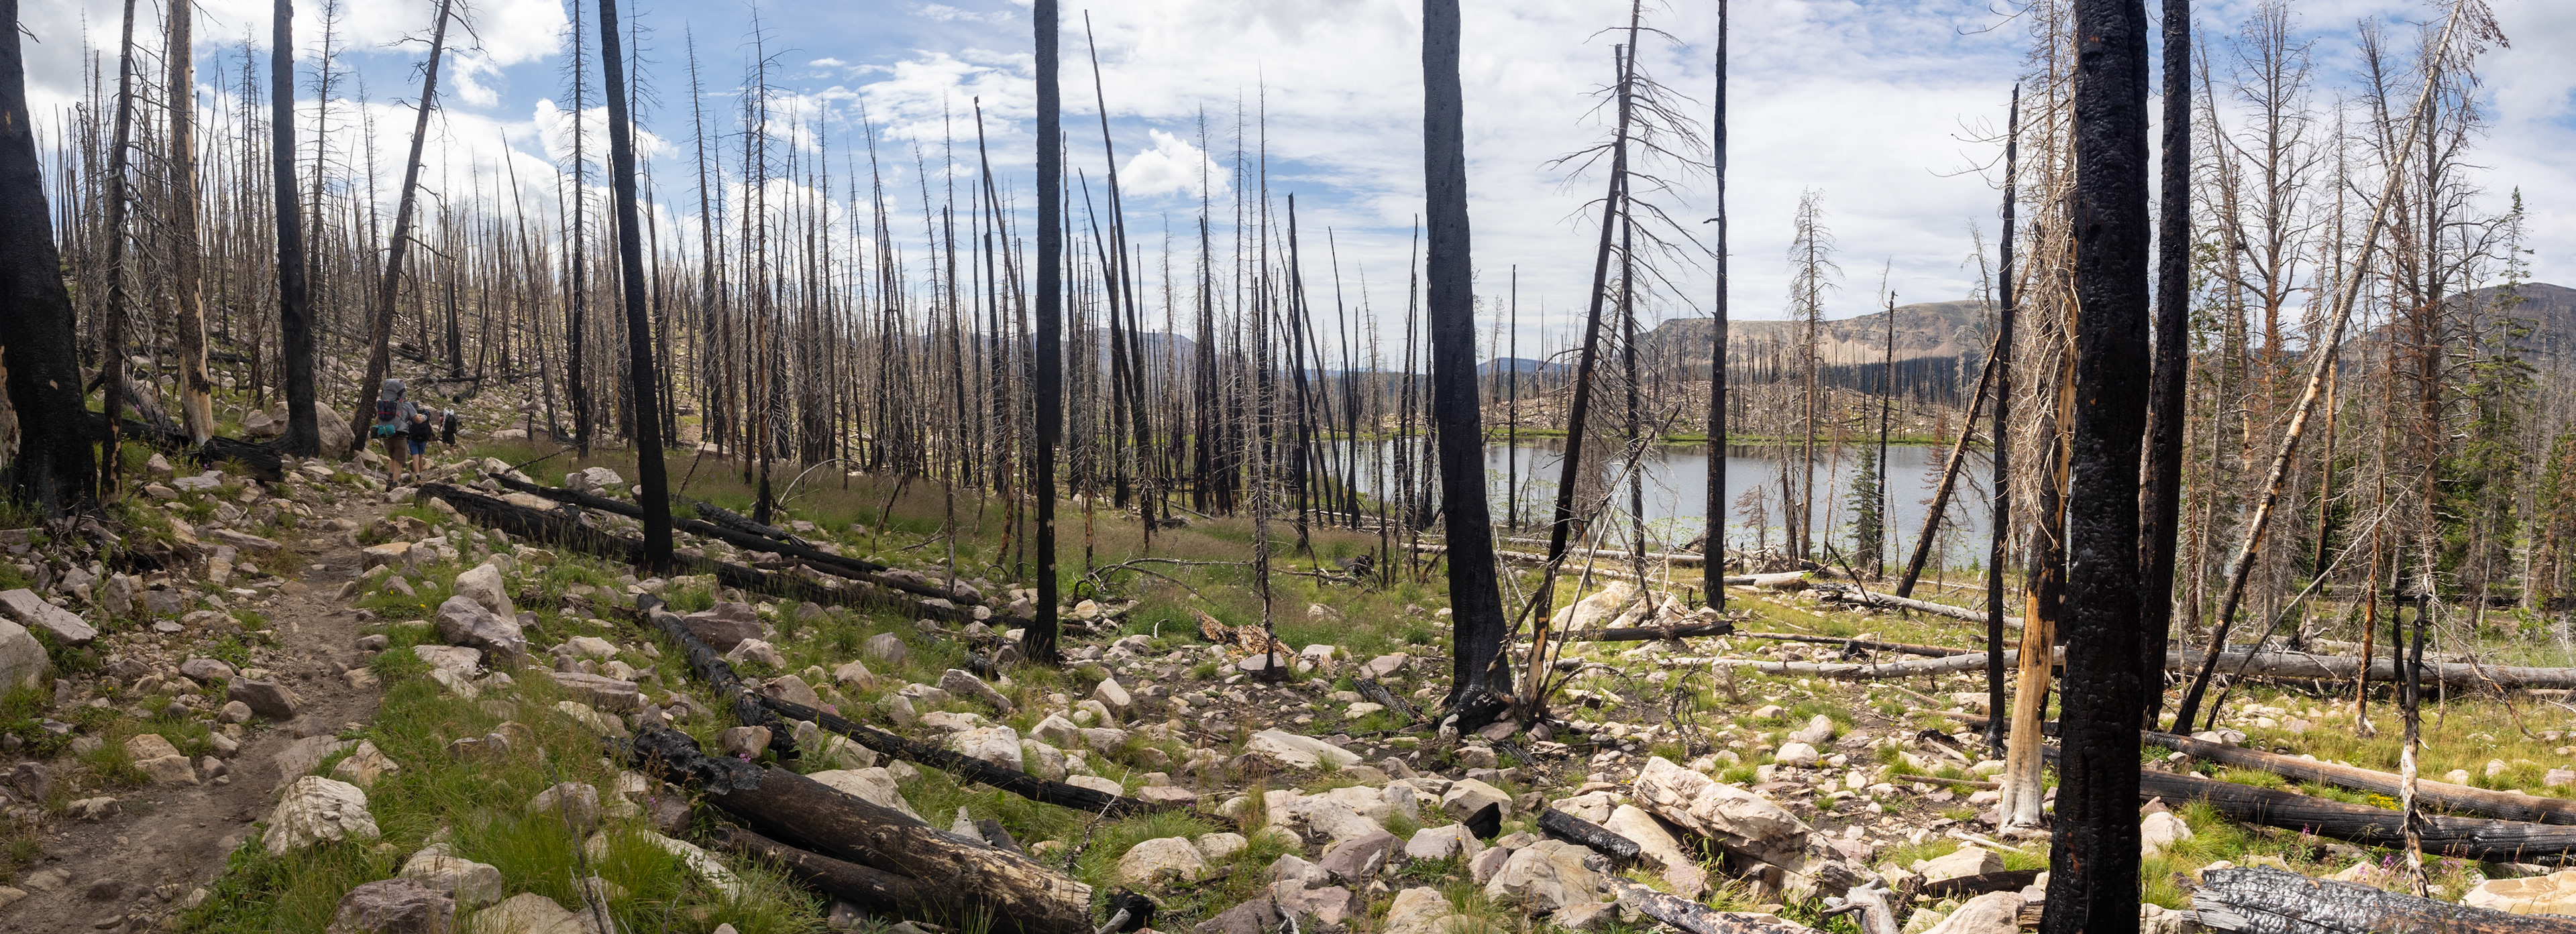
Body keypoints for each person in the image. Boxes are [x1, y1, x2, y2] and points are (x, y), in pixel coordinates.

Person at [371, 379, 416, 486]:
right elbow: (417, 420)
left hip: (387, 434)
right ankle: (396, 483)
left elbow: (377, 421)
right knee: (399, 461)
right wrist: (425, 417)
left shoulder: (384, 404)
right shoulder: (406, 404)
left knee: (392, 458)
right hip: (400, 436)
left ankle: (390, 478)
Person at [406, 409, 434, 477]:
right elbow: (430, 428)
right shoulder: (425, 416)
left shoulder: (412, 415)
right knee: (421, 457)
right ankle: (420, 474)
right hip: (423, 439)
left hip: (413, 439)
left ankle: (417, 476)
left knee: (415, 458)